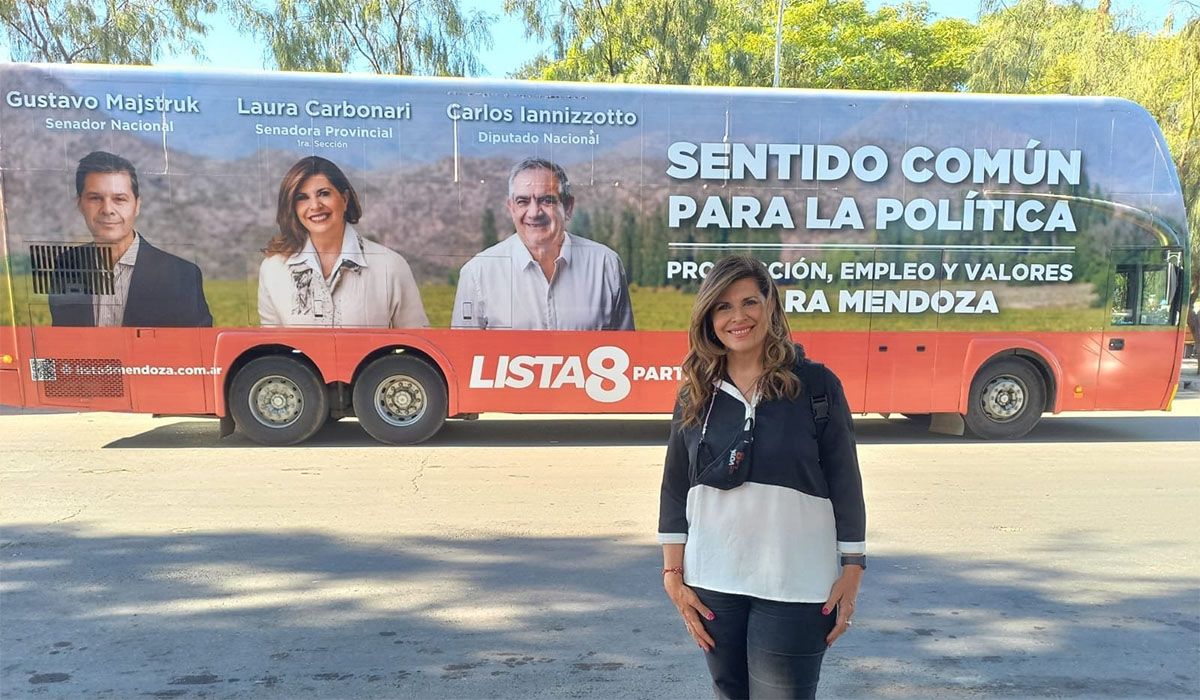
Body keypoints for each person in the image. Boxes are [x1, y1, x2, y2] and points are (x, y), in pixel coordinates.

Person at [658, 255, 866, 699]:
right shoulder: (695, 390)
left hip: (796, 582)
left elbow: (846, 481)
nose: (738, 317)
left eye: (749, 302)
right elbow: (675, 486)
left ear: (771, 305)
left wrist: (853, 569)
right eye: (723, 306)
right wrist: (673, 573)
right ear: (708, 317)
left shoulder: (815, 385)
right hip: (714, 580)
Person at [451, 157, 634, 330]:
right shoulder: (477, 273)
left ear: (568, 207)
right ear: (511, 208)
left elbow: (628, 353)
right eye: (523, 201)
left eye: (547, 200)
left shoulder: (606, 265)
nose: (534, 212)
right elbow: (461, 356)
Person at [258, 156, 428, 328]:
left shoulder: (390, 266)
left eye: (324, 194)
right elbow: (273, 349)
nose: (315, 206)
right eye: (302, 198)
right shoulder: (273, 269)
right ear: (292, 207)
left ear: (344, 199)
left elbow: (418, 343)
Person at [49, 151, 212, 327]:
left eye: (119, 199)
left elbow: (196, 348)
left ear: (137, 206)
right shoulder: (66, 265)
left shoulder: (181, 275)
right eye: (95, 198)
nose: (107, 209)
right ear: (80, 204)